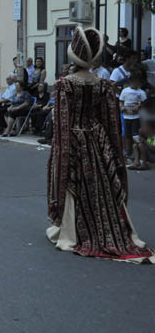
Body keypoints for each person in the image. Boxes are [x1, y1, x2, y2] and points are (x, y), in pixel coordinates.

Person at [47, 27, 155, 263]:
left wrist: (60, 151)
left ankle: (71, 231)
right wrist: (113, 152)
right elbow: (110, 121)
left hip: (74, 138)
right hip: (98, 139)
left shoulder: (65, 85)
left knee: (74, 183)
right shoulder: (104, 85)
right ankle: (107, 227)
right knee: (103, 186)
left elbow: (62, 121)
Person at [119, 72, 147, 159]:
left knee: (135, 135)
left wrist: (138, 106)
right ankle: (128, 152)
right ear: (130, 81)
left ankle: (137, 151)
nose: (135, 84)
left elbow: (144, 103)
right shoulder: (125, 91)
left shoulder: (141, 92)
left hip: (136, 117)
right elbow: (121, 101)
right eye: (133, 81)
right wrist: (122, 107)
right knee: (127, 135)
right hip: (126, 116)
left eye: (137, 82)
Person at [131, 99, 155, 170]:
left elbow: (153, 148)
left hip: (152, 155)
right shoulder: (143, 132)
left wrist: (144, 140)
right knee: (135, 145)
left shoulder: (152, 135)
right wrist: (138, 140)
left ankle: (144, 164)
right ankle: (136, 163)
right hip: (148, 152)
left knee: (141, 146)